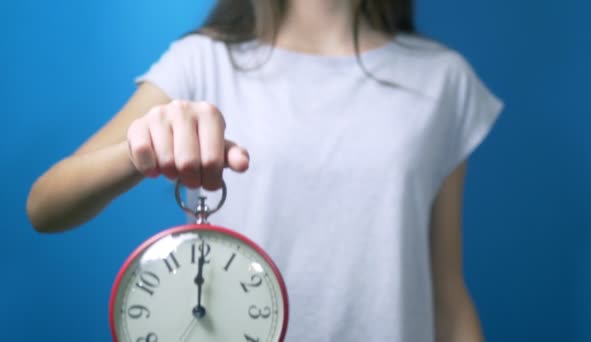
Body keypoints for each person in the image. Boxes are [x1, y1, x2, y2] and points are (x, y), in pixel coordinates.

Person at [26, 0, 504, 341]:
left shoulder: (444, 80)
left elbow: (446, 291)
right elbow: (45, 207)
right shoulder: (204, 62)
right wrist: (141, 152)